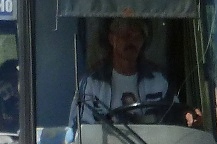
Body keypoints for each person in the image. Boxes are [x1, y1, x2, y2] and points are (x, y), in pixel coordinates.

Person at [69, 17, 200, 128]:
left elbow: (175, 120)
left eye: (137, 36)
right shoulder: (92, 84)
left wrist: (187, 116)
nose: (131, 41)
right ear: (111, 39)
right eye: (125, 36)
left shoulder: (159, 81)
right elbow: (80, 133)